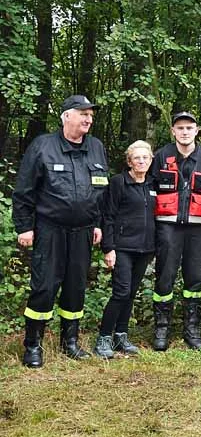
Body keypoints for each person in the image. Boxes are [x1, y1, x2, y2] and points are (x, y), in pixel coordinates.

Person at [12, 94, 108, 367]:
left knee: (76, 286)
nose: (88, 118)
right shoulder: (43, 146)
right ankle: (33, 345)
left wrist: (98, 223)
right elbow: (24, 190)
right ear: (66, 116)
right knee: (44, 285)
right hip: (49, 229)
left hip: (83, 231)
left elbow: (100, 191)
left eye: (90, 114)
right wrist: (24, 226)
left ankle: (71, 342)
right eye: (82, 113)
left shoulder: (96, 147)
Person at [150, 111, 201, 351]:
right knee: (165, 275)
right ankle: (162, 327)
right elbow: (150, 190)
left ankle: (192, 327)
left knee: (195, 276)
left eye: (189, 128)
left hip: (198, 227)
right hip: (168, 226)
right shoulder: (161, 156)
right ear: (173, 131)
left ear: (196, 131)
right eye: (180, 128)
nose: (185, 132)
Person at [93, 140, 156, 358]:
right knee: (120, 292)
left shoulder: (152, 184)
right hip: (122, 247)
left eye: (145, 157)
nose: (141, 161)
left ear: (151, 160)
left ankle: (121, 335)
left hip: (145, 248)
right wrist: (108, 248)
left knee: (130, 294)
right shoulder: (118, 182)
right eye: (137, 158)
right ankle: (103, 338)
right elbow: (108, 216)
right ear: (129, 161)